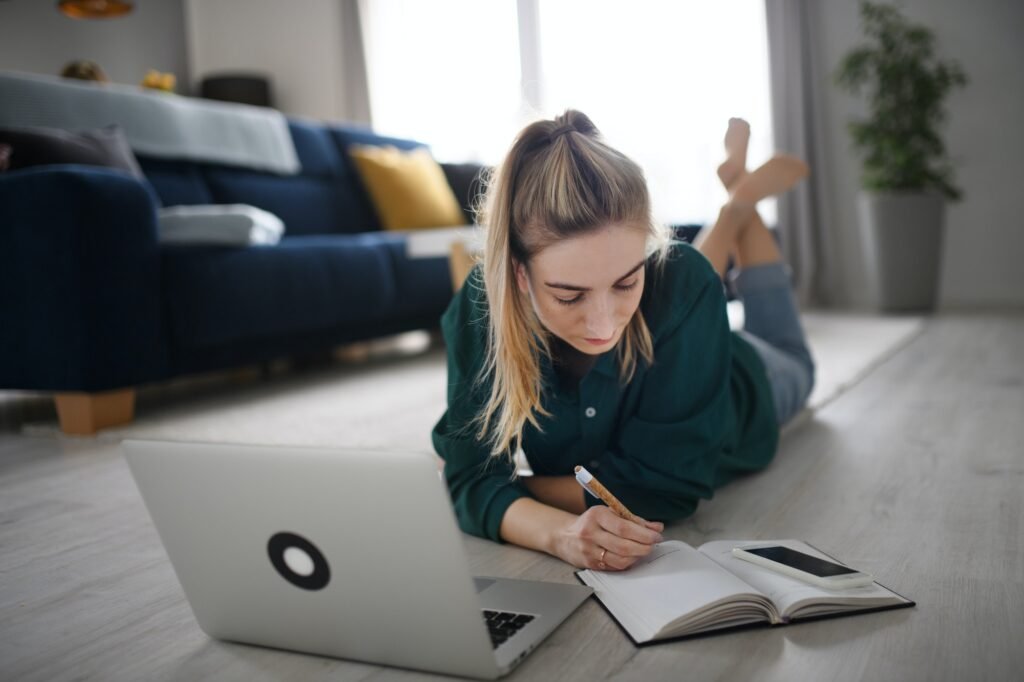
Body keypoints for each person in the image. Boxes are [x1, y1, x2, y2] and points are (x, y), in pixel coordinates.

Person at [432, 110, 814, 572]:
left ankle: (738, 205)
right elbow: (471, 481)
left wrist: (503, 489)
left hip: (753, 378)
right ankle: (736, 201)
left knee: (795, 359)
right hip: (683, 324)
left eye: (626, 283)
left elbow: (663, 487)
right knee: (682, 283)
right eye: (569, 296)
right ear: (519, 273)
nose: (602, 325)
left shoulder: (681, 283)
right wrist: (557, 532)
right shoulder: (482, 309)